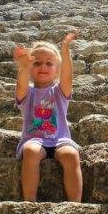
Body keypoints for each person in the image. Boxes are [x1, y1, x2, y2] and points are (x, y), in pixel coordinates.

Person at [13, 33, 83, 202]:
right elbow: (21, 85)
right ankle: (29, 202)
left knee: (71, 154)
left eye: (49, 63)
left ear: (56, 71)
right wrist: (23, 67)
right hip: (34, 139)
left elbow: (68, 77)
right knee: (31, 151)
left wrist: (65, 50)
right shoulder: (28, 94)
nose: (42, 66)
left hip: (60, 139)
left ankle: (76, 205)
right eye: (36, 63)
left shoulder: (59, 92)